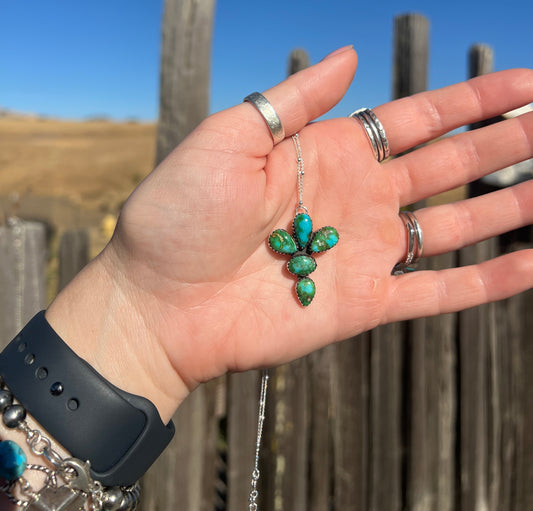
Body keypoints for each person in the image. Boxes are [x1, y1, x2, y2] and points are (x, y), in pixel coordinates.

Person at [1, 45, 532, 510]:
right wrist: (144, 311)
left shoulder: (301, 247)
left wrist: (142, 327)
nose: (304, 250)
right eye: (304, 248)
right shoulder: (297, 247)